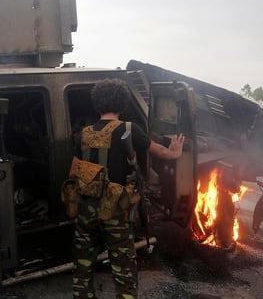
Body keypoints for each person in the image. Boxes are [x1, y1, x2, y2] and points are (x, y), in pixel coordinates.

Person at [71, 78, 184, 299]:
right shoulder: (129, 129)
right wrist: (176, 153)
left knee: (82, 263)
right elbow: (160, 150)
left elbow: (72, 174)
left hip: (85, 208)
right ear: (122, 103)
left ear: (98, 103)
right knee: (123, 265)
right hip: (115, 210)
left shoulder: (84, 133)